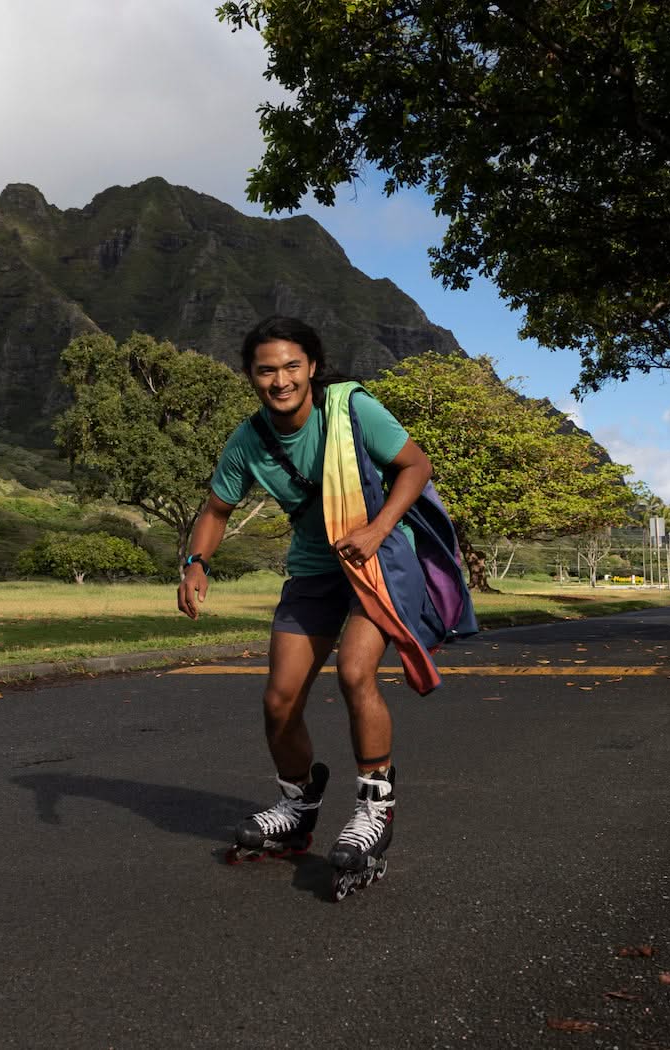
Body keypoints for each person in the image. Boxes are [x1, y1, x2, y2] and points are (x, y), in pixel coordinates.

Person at [176, 315, 435, 890]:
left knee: (355, 672)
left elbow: (416, 465)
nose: (281, 380)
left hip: (376, 560)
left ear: (312, 367)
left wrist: (376, 531)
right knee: (279, 699)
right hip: (316, 569)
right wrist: (196, 564)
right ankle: (297, 803)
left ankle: (374, 808)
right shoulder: (248, 441)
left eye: (292, 366)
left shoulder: (350, 409)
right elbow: (216, 509)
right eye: (266, 370)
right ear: (251, 376)